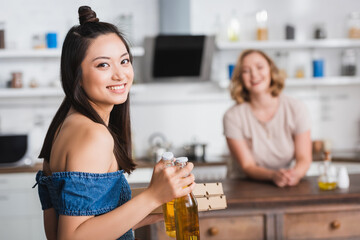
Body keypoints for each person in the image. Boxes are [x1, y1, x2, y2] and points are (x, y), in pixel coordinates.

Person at [34, 6, 195, 240]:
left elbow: (65, 228)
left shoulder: (65, 126)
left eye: (124, 61)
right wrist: (152, 196)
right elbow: (72, 237)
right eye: (103, 65)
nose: (120, 75)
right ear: (75, 75)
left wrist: (155, 207)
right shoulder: (94, 135)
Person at [223, 49, 312, 187]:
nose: (254, 74)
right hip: (244, 187)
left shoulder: (296, 108)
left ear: (271, 70)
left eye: (260, 67)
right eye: (246, 71)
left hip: (284, 185)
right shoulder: (232, 116)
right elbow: (248, 166)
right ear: (240, 78)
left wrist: (294, 175)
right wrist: (273, 175)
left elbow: (304, 158)